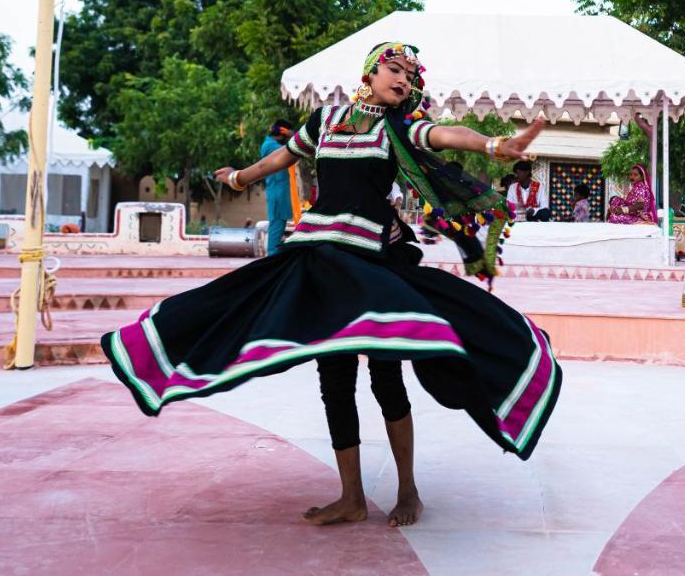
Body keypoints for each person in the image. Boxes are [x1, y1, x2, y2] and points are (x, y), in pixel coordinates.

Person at [100, 41, 561, 530]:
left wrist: (492, 145)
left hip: (372, 265)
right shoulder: (325, 120)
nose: (402, 80)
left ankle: (408, 489)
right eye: (394, 68)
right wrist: (239, 177)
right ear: (370, 70)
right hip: (319, 258)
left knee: (387, 379)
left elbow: (445, 134)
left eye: (409, 76)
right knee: (334, 379)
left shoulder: (397, 127)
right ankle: (351, 497)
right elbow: (282, 159)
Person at [261, 119, 294, 255]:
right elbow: (292, 150)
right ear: (283, 132)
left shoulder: (271, 144)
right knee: (276, 225)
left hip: (278, 192)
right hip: (277, 194)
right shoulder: (270, 146)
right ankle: (271, 258)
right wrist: (293, 136)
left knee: (278, 226)